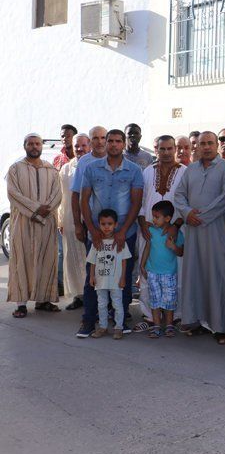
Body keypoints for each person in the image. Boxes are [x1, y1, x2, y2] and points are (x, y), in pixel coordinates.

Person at [174, 131, 225, 344]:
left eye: (211, 143)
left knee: (218, 277)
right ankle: (196, 320)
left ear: (217, 145)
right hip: (193, 231)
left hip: (216, 231)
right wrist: (186, 213)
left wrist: (200, 217)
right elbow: (179, 195)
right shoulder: (191, 169)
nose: (207, 147)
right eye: (203, 144)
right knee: (195, 275)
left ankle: (220, 327)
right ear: (197, 147)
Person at [80, 129, 144, 334]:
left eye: (118, 141)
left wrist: (122, 231)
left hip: (125, 233)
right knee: (93, 278)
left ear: (124, 144)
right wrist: (93, 230)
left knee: (121, 277)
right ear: (105, 143)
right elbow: (83, 200)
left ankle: (121, 319)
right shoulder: (91, 168)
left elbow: (136, 203)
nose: (114, 144)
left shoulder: (134, 170)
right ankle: (89, 321)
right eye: (111, 141)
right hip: (97, 235)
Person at [7, 133, 63, 318]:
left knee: (47, 260)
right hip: (24, 222)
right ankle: (21, 304)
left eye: (37, 143)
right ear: (25, 146)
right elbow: (13, 194)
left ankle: (44, 300)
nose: (34, 146)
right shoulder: (15, 169)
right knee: (21, 260)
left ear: (41, 146)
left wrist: (45, 211)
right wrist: (36, 210)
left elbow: (58, 195)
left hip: (47, 223)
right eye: (30, 143)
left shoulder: (51, 170)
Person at [136, 135, 185, 328]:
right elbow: (140, 201)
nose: (166, 153)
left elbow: (185, 202)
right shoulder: (148, 171)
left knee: (176, 271)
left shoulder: (184, 172)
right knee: (149, 270)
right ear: (156, 150)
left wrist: (176, 225)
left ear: (175, 149)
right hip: (149, 230)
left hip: (175, 231)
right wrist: (142, 223)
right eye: (162, 149)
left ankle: (176, 314)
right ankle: (149, 314)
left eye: (169, 149)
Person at [70, 126, 108, 336]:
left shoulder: (118, 160)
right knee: (93, 274)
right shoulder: (84, 163)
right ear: (91, 141)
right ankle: (89, 319)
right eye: (96, 138)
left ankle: (113, 314)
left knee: (115, 273)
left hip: (116, 228)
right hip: (92, 228)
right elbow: (76, 196)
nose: (101, 142)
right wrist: (78, 224)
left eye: (104, 137)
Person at [139, 200, 184, 339]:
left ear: (168, 218)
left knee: (169, 301)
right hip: (152, 272)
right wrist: (142, 264)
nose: (153, 219)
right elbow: (148, 247)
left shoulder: (176, 233)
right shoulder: (151, 230)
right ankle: (156, 326)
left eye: (157, 217)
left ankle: (169, 325)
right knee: (155, 299)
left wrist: (173, 247)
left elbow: (181, 252)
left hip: (169, 273)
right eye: (153, 216)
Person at [86, 209, 131, 339]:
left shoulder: (120, 241)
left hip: (116, 281)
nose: (106, 227)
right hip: (100, 281)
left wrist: (122, 278)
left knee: (117, 304)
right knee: (101, 304)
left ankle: (118, 328)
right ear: (99, 225)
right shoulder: (97, 242)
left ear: (116, 225)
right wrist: (92, 276)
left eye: (110, 224)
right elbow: (92, 261)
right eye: (103, 224)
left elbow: (124, 261)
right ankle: (103, 327)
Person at [59, 133, 90, 310]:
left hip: (91, 220)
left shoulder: (95, 165)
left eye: (83, 145)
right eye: (77, 146)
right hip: (71, 219)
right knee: (72, 258)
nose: (80, 149)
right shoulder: (66, 169)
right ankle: (79, 296)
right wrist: (60, 219)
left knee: (89, 259)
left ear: (89, 146)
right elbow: (62, 197)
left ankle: (92, 295)